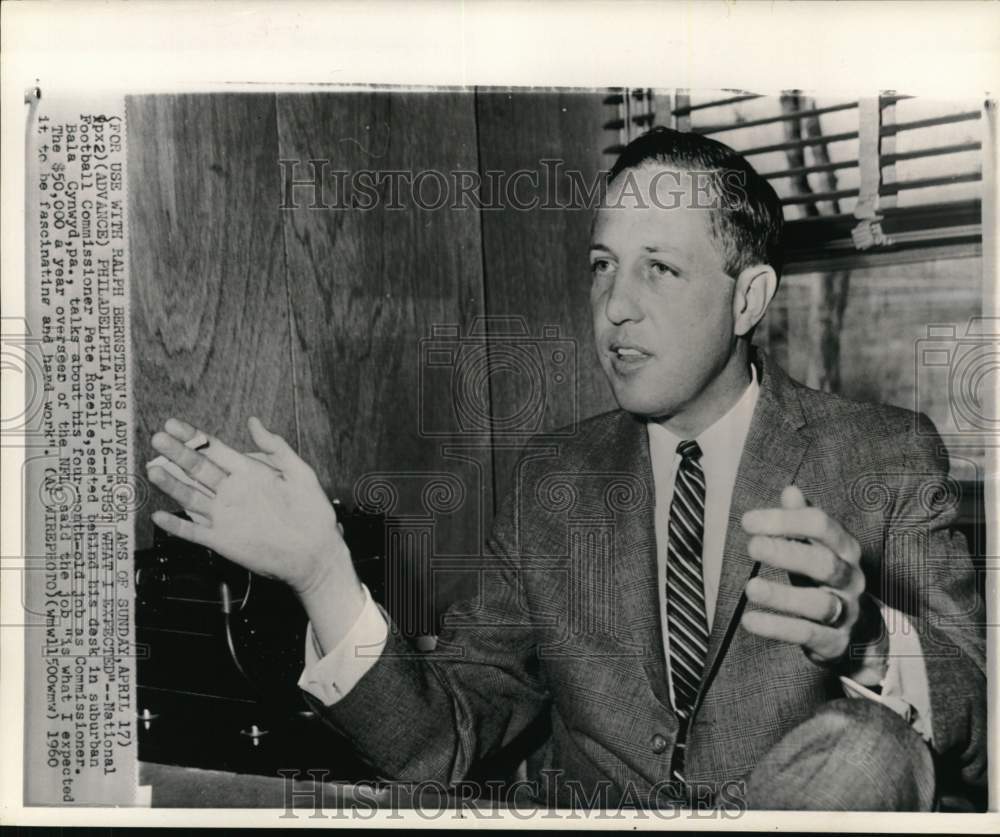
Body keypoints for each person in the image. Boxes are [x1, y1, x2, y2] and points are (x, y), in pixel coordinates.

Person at [146, 127, 985, 811]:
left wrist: (867, 637)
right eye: (602, 266)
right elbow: (440, 742)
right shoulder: (555, 476)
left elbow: (978, 727)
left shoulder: (882, 452)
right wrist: (320, 572)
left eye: (659, 267)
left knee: (873, 749)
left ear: (748, 298)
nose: (616, 305)